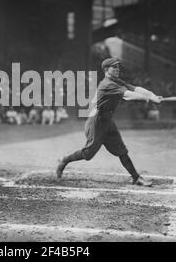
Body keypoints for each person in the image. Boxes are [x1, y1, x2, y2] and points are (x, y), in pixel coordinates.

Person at [56, 58, 162, 187]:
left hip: (108, 121)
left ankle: (136, 178)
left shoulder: (116, 81)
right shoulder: (107, 84)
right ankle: (64, 160)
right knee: (88, 154)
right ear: (106, 70)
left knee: (122, 150)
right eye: (114, 67)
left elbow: (135, 88)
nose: (117, 69)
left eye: (118, 67)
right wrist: (149, 99)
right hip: (97, 122)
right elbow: (128, 95)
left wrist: (152, 94)